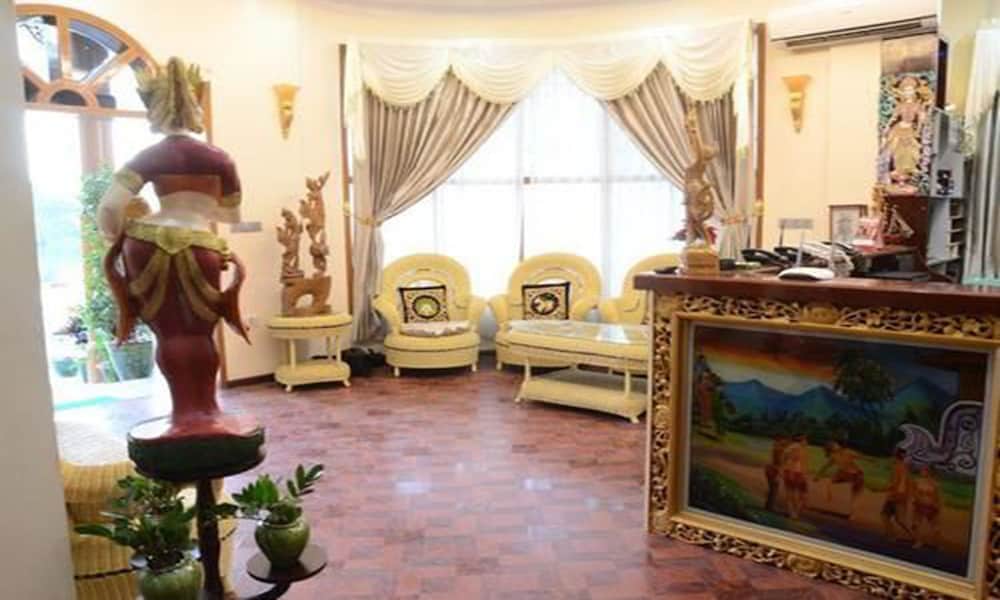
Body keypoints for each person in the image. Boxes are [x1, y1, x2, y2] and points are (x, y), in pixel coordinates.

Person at [814, 441, 865, 517]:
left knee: (830, 481)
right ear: (833, 448)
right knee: (855, 495)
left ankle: (829, 495)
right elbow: (861, 456)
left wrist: (817, 475)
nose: (837, 445)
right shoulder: (846, 452)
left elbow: (825, 467)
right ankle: (852, 514)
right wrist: (872, 460)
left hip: (847, 474)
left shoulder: (835, 456)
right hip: (855, 475)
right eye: (835, 444)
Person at [881, 448, 913, 541]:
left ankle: (892, 535)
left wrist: (881, 489)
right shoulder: (904, 467)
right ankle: (891, 534)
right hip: (899, 496)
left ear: (896, 456)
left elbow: (895, 483)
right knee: (892, 517)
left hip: (895, 496)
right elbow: (907, 483)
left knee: (888, 517)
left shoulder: (898, 467)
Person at [911, 466, 941, 549]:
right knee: (915, 525)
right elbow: (914, 492)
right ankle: (919, 541)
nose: (922, 472)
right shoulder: (917, 481)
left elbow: (937, 497)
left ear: (929, 472)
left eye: (924, 470)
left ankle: (936, 542)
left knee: (935, 526)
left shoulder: (935, 484)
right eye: (922, 470)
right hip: (920, 505)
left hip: (930, 506)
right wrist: (915, 500)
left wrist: (937, 506)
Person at [782, 435, 810, 519]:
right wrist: (791, 473)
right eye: (805, 440)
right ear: (801, 440)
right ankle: (793, 513)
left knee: (791, 493)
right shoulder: (797, 448)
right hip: (795, 472)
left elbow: (785, 459)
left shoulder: (791, 447)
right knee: (795, 494)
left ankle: (792, 513)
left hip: (793, 472)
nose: (806, 442)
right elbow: (793, 460)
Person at [765, 435, 790, 512]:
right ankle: (770, 507)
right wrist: (779, 473)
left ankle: (769, 506)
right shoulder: (779, 449)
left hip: (771, 469)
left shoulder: (777, 448)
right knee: (774, 489)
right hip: (774, 470)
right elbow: (779, 462)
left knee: (773, 489)